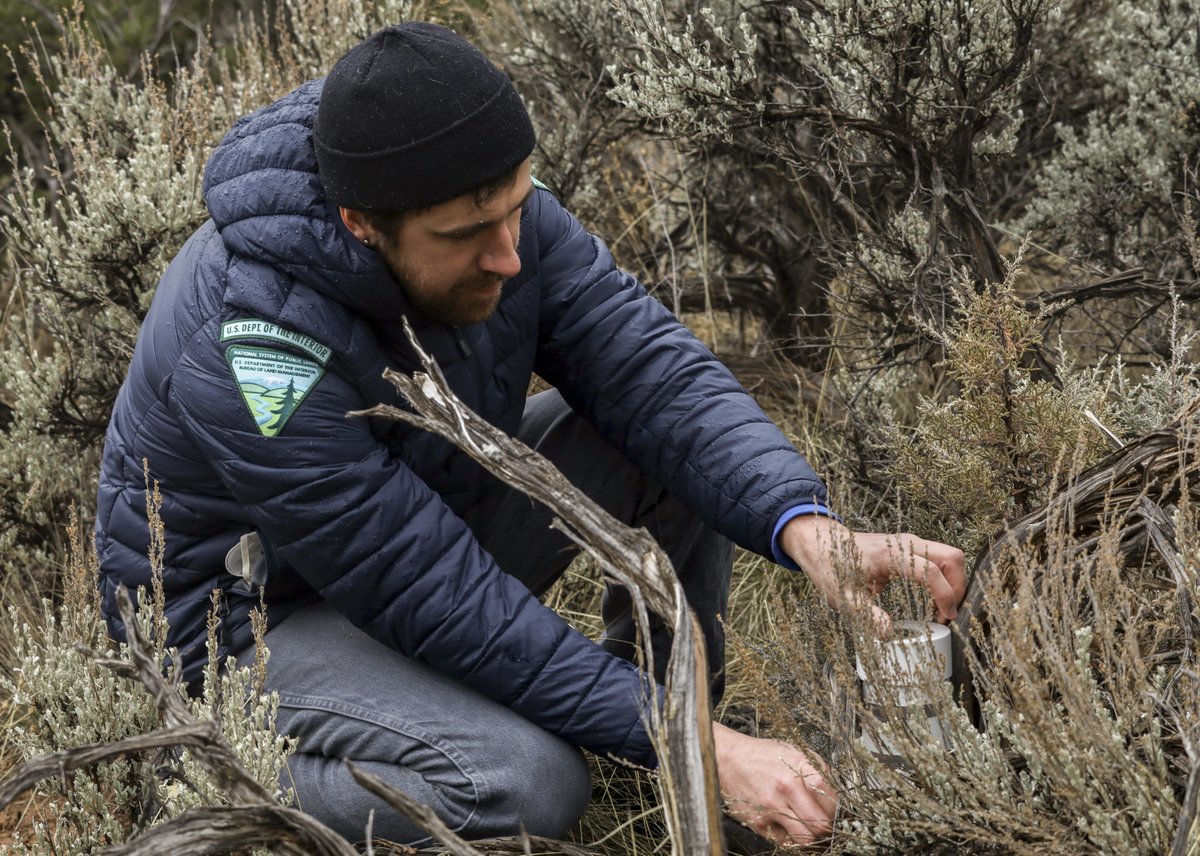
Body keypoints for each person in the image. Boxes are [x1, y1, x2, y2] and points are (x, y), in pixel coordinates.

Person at [95, 21, 965, 851]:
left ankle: (675, 751)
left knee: (655, 446)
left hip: (419, 517)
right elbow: (422, 586)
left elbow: (648, 372)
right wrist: (693, 740)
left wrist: (810, 529)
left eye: (517, 209)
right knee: (521, 781)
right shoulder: (246, 341)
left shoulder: (476, 198)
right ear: (362, 224)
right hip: (245, 626)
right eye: (471, 234)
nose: (510, 256)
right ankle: (211, 775)